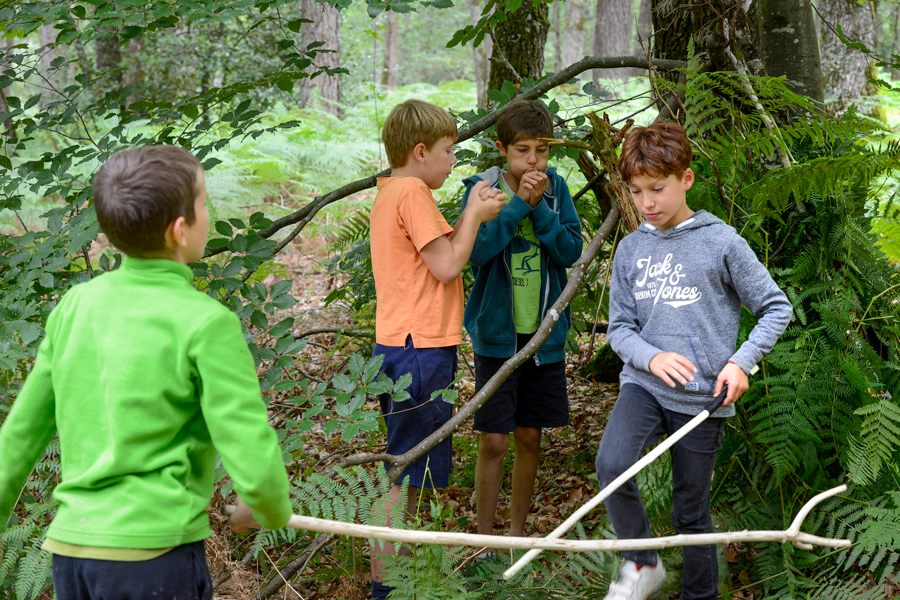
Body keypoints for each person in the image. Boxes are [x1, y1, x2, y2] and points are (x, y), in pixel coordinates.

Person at [0, 145, 292, 600]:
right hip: (156, 558)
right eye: (203, 204)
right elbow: (245, 434)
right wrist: (267, 506)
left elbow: (21, 433)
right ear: (180, 230)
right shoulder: (207, 322)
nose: (207, 213)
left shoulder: (76, 307)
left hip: (72, 553)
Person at [594, 121, 793, 600]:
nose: (646, 203)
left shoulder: (722, 243)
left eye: (657, 189)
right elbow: (620, 329)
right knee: (612, 463)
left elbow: (775, 307)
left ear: (686, 178)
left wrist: (741, 363)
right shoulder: (631, 248)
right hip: (643, 384)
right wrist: (651, 356)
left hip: (703, 397)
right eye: (637, 191)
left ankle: (699, 596)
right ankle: (641, 563)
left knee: (690, 511)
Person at [368, 99, 505, 599]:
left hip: (401, 344)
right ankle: (389, 588)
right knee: (405, 471)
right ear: (420, 151)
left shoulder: (390, 192)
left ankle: (396, 581)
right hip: (418, 348)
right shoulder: (411, 193)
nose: (453, 160)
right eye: (449, 151)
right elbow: (447, 265)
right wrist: (473, 213)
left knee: (403, 466)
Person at [461, 99, 583, 554]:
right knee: (494, 439)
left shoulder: (557, 191)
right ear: (501, 149)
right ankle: (485, 540)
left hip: (543, 337)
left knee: (530, 435)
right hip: (497, 336)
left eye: (541, 151)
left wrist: (539, 208)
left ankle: (517, 538)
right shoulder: (483, 189)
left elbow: (571, 251)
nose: (532, 161)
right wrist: (517, 205)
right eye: (522, 150)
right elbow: (476, 251)